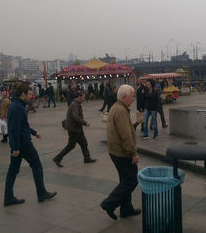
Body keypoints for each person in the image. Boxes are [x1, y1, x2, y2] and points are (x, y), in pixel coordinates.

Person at [4, 83, 57, 206]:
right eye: (29, 93)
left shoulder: (16, 105)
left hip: (19, 143)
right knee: (36, 165)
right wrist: (16, 148)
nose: (31, 95)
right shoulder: (18, 107)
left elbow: (22, 126)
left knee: (13, 170)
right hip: (23, 144)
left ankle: (8, 197)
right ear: (22, 94)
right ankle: (41, 192)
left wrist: (34, 132)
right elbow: (14, 129)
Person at [100, 85, 141, 220]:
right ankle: (109, 203)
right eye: (132, 96)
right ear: (124, 97)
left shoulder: (116, 107)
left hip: (115, 151)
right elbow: (125, 135)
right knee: (131, 180)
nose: (134, 99)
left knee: (125, 180)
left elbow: (124, 130)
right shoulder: (121, 111)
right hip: (122, 153)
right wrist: (133, 153)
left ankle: (126, 209)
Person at [53, 91, 96, 167]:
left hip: (78, 128)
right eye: (83, 97)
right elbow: (75, 117)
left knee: (84, 143)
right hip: (74, 129)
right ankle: (57, 158)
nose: (84, 99)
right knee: (71, 146)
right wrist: (85, 123)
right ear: (78, 97)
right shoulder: (74, 105)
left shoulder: (77, 104)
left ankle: (87, 158)